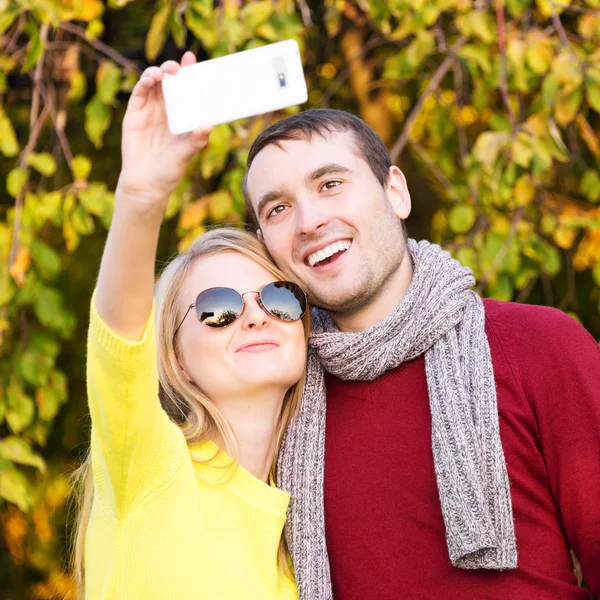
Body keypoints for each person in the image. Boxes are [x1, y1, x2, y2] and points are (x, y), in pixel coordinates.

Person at [242, 109, 600, 599]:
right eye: (277, 209)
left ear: (396, 192)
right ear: (266, 246)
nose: (310, 221)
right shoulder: (276, 403)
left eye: (329, 184)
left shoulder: (538, 345)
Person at [73, 53, 310, 600]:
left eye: (278, 298)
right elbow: (119, 340)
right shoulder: (151, 464)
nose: (254, 315)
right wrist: (140, 197)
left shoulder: (304, 537)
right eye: (218, 308)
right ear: (174, 354)